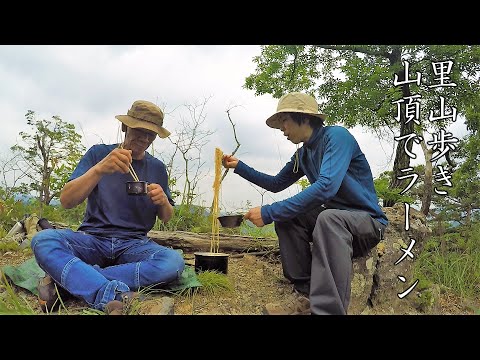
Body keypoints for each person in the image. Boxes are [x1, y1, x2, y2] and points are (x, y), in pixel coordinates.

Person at [222, 92, 388, 315]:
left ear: (304, 118)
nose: (282, 129)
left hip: (367, 224)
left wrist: (269, 212)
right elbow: (276, 183)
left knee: (328, 218)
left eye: (285, 121)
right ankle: (306, 294)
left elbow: (327, 186)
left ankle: (328, 311)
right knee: (289, 216)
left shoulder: (336, 137)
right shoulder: (303, 155)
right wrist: (239, 166)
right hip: (333, 224)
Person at [31, 100, 185, 315]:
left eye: (151, 134)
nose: (144, 138)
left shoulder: (157, 168)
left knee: (173, 262)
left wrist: (163, 201)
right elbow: (67, 201)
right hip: (92, 240)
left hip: (134, 245)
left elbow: (166, 217)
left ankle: (78, 278)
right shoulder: (98, 154)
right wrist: (99, 169)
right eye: (139, 130)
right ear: (125, 127)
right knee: (43, 239)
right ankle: (111, 294)